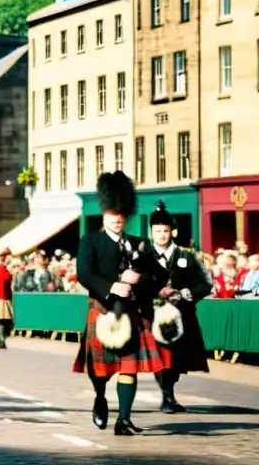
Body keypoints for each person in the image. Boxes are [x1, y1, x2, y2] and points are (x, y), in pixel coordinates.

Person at [73, 171, 168, 436]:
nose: (117, 219)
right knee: (101, 371)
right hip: (102, 310)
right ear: (104, 215)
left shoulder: (139, 244)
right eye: (112, 215)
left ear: (126, 217)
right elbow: (85, 274)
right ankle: (100, 397)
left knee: (129, 367)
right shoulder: (90, 241)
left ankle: (123, 420)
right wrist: (113, 284)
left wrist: (139, 280)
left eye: (121, 215)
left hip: (132, 313)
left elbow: (160, 275)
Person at [148, 203, 211, 413]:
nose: (162, 235)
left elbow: (205, 283)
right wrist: (154, 294)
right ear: (151, 232)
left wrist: (185, 294)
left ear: (172, 231)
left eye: (165, 230)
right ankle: (167, 396)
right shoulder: (143, 257)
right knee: (160, 358)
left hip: (182, 316)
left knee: (176, 360)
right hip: (153, 315)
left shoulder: (187, 256)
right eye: (158, 231)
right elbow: (134, 283)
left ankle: (169, 392)